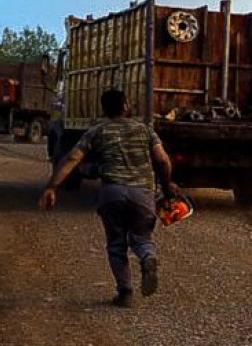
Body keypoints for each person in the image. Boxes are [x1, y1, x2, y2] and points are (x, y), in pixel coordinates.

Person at [40, 88, 178, 307]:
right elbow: (162, 160)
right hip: (142, 193)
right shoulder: (145, 130)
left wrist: (52, 188)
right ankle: (147, 257)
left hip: (111, 192)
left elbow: (72, 159)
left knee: (116, 244)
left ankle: (125, 292)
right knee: (142, 238)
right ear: (125, 106)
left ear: (104, 109)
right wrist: (167, 185)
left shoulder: (97, 131)